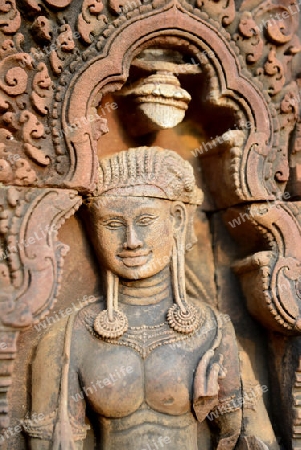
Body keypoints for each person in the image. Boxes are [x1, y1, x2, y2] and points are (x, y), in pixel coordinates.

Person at [24, 147, 242, 449]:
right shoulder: (67, 337)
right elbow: (48, 442)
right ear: (92, 228)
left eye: (145, 220)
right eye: (113, 225)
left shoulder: (213, 330)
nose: (132, 241)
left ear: (177, 219)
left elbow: (246, 436)